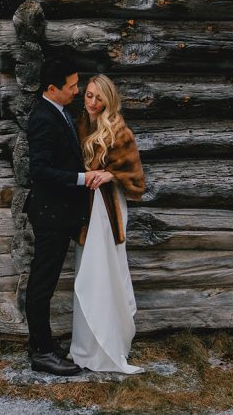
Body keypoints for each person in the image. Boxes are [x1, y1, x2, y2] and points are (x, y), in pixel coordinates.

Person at [24, 59, 109, 376]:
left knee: (45, 280)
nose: (77, 90)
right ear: (51, 89)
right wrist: (82, 178)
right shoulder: (43, 118)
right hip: (50, 214)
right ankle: (41, 352)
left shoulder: (56, 111)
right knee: (42, 283)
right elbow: (40, 171)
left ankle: (42, 342)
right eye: (71, 86)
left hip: (59, 214)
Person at [69, 74, 146, 374]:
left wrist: (111, 174)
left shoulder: (119, 130)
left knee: (106, 273)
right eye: (88, 95)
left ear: (109, 99)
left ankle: (107, 348)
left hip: (108, 210)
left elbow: (137, 179)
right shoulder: (79, 125)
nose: (92, 102)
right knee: (87, 274)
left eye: (98, 98)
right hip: (85, 211)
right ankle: (85, 348)